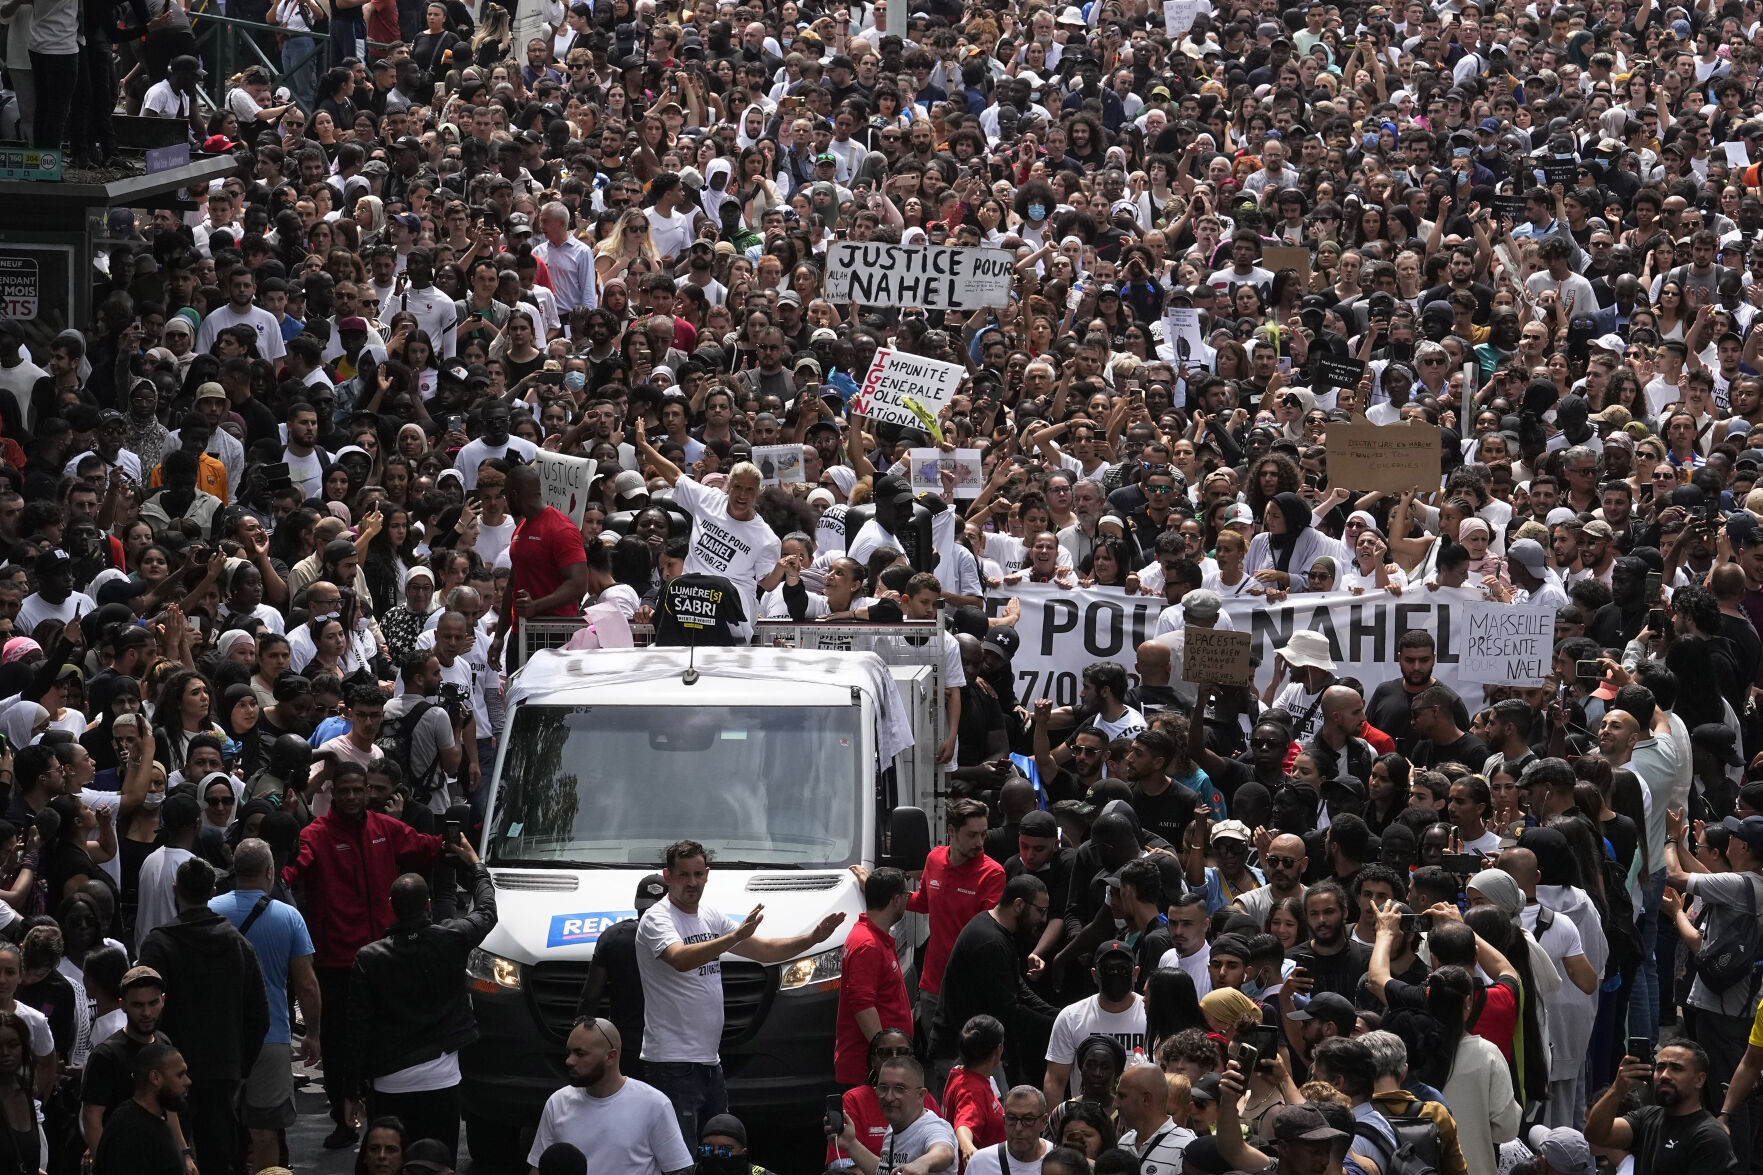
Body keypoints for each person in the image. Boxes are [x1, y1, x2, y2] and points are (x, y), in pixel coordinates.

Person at [636, 839, 844, 1146]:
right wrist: (733, 936)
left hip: (709, 1061)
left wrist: (812, 938)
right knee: (680, 1158)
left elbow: (765, 951)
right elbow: (680, 959)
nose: (692, 883)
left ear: (707, 873)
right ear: (668, 877)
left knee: (721, 1151)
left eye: (697, 874)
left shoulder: (709, 914)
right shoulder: (658, 918)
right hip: (671, 1063)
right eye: (683, 875)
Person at [281, 760, 443, 1149]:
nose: (353, 797)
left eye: (360, 790)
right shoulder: (315, 835)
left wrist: (466, 841)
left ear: (368, 790)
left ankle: (386, 1120)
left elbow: (427, 847)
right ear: (333, 791)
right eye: (346, 790)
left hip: (386, 956)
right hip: (337, 961)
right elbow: (291, 870)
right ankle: (342, 1118)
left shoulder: (385, 829)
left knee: (387, 1039)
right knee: (338, 1044)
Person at [342, 833, 496, 1163]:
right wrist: (476, 866)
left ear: (391, 907)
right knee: (438, 1162)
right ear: (428, 905)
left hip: (388, 1080)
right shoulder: (452, 937)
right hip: (441, 1078)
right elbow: (486, 910)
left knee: (391, 1164)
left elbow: (357, 1027)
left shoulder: (369, 958)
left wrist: (351, 1090)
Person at [136, 856, 270, 1175]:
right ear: (212, 891)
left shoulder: (159, 943)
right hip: (223, 1070)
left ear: (174, 890)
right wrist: (239, 1065)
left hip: (168, 1072)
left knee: (168, 1157)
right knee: (217, 1158)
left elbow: (144, 1009)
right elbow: (259, 1015)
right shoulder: (238, 945)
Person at [208, 838, 320, 1174]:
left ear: (235, 871)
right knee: (266, 1131)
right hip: (270, 1038)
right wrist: (313, 1033)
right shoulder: (288, 917)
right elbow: (307, 984)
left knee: (218, 1129)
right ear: (270, 871)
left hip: (220, 1039)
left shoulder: (211, 910)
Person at [527, 1017, 694, 1175]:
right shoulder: (557, 1103)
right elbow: (538, 1168)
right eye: (569, 1052)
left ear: (611, 1057)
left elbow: (678, 1169)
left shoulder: (654, 1104)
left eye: (580, 1053)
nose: (569, 1061)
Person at [1587, 1041, 1738, 1175]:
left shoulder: (1709, 1135)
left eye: (1677, 1069)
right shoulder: (1647, 1117)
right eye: (1660, 1067)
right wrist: (1617, 1090)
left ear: (1699, 1080)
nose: (1665, 1075)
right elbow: (1595, 1135)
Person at [834, 866, 913, 1089]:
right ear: (896, 900)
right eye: (906, 896)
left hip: (877, 1069)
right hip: (869, 1071)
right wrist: (886, 1058)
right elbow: (862, 1004)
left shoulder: (872, 936)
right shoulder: (868, 945)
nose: (908, 902)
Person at [829, 1055, 957, 1175]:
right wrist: (851, 1144)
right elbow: (885, 1171)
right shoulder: (894, 1129)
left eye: (900, 1089)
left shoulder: (933, 1128)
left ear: (920, 1095)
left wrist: (924, 1162)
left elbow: (945, 1151)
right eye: (883, 1088)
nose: (889, 1097)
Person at [89, 1040, 190, 1175]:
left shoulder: (151, 1122)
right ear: (155, 1078)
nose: (188, 1081)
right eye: (180, 1075)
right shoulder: (131, 1132)